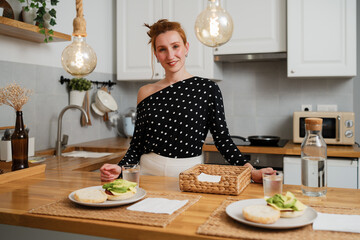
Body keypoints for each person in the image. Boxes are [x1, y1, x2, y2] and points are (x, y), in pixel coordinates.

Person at [100, 19, 275, 183]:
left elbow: (222, 140)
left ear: (186, 47)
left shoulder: (208, 89)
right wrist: (120, 168)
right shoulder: (145, 92)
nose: (170, 55)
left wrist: (250, 171)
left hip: (189, 173)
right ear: (156, 54)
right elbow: (137, 145)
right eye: (162, 49)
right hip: (148, 173)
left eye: (175, 46)